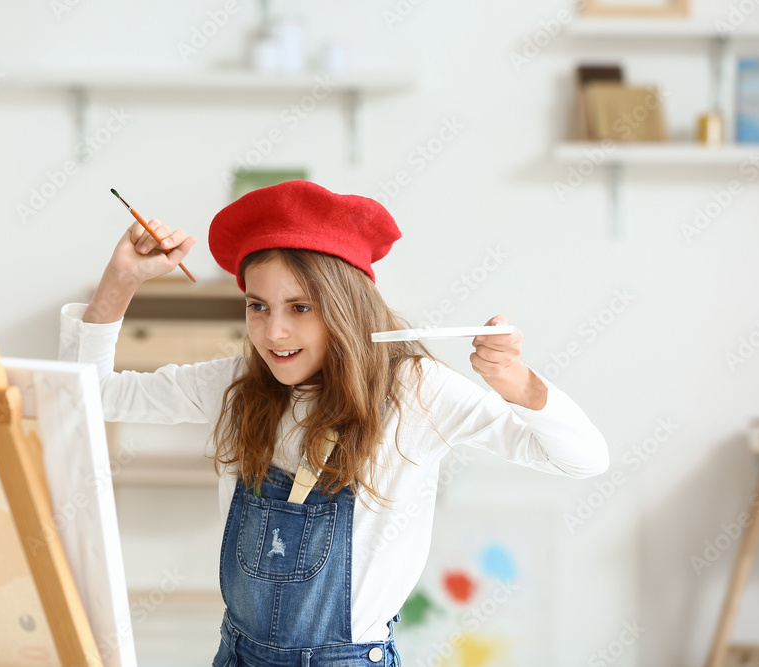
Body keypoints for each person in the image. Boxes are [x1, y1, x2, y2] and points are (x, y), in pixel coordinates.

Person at [58, 180, 609, 666]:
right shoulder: (236, 386)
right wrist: (122, 278)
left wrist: (517, 382)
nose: (273, 332)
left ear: (347, 307)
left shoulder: (414, 392)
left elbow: (583, 460)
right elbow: (89, 394)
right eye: (258, 306)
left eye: (301, 308)